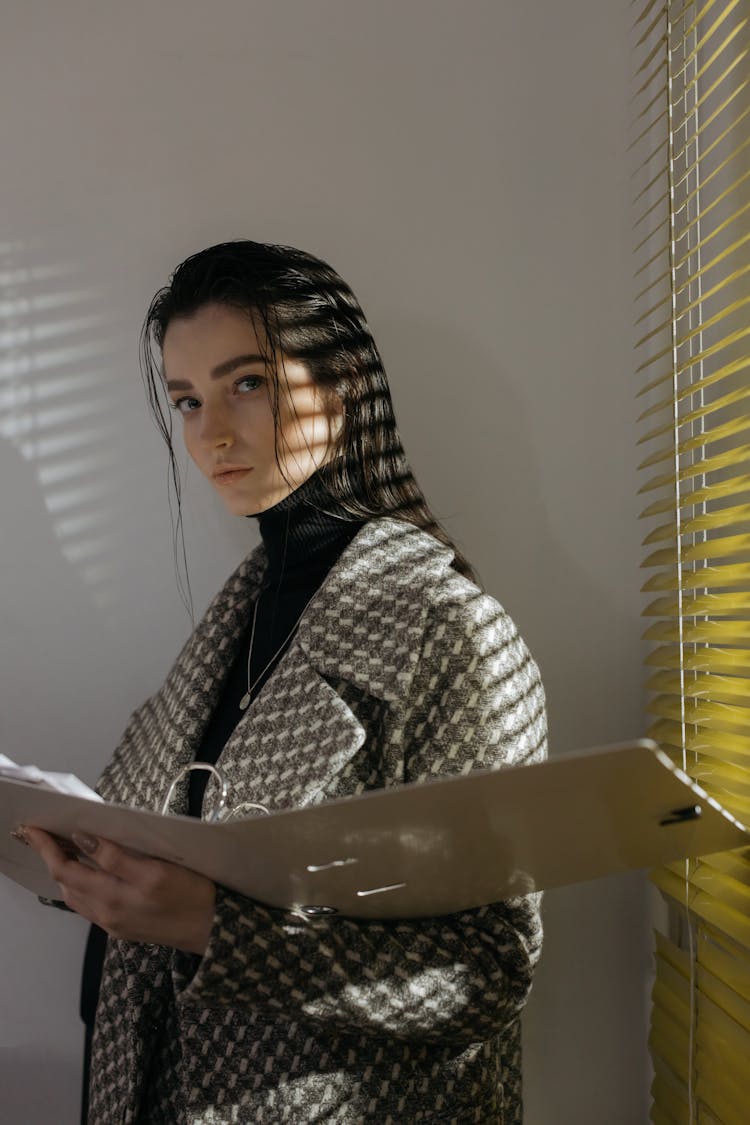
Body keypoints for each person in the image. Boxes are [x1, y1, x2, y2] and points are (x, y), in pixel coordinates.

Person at [24, 240, 548, 1125]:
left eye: (248, 383)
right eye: (187, 400)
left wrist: (215, 928)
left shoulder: (451, 629)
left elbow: (487, 969)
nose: (211, 433)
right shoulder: (234, 627)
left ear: (341, 383)